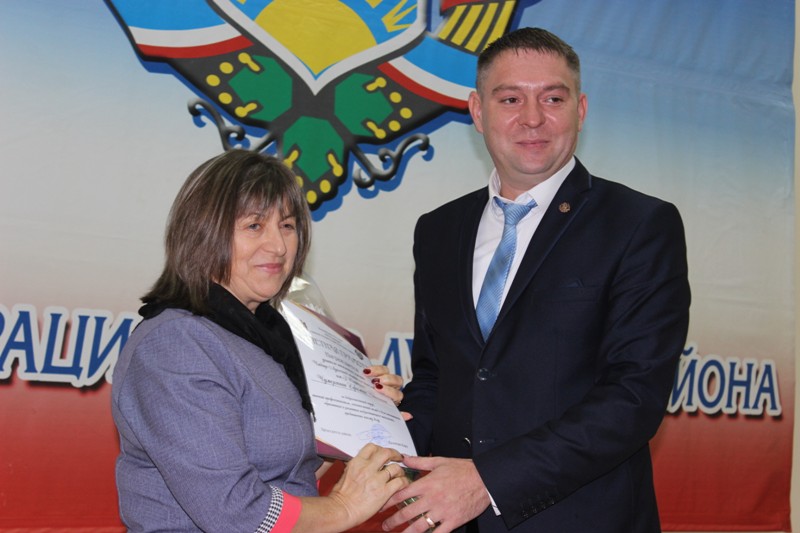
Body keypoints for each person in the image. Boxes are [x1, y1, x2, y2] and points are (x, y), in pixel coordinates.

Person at [383, 27, 690, 533]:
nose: (532, 118)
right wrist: (377, 433)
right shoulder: (438, 230)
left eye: (553, 98)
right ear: (478, 111)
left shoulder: (639, 224)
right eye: (510, 99)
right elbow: (437, 380)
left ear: (580, 110)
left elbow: (633, 398)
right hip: (453, 521)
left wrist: (486, 482)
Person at [111, 149, 409, 533]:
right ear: (203, 233)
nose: (279, 246)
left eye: (287, 225)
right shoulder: (176, 344)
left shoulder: (265, 338)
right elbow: (236, 513)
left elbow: (288, 474)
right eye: (254, 226)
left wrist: (360, 418)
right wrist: (342, 508)